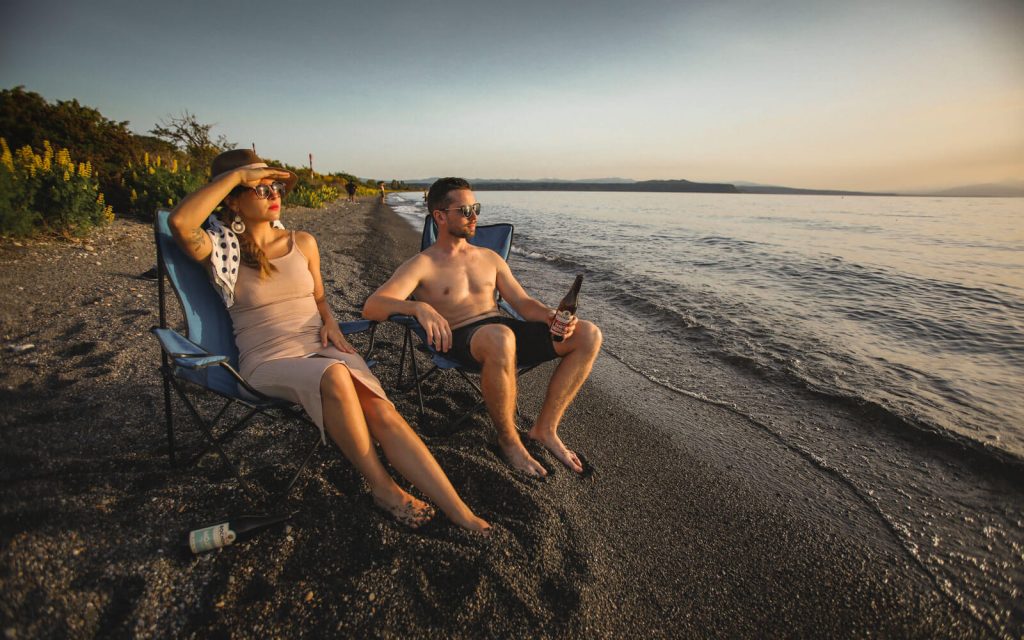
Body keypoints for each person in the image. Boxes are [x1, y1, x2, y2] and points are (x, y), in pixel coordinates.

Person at [168, 151, 489, 533]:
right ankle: (383, 489)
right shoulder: (221, 250)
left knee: (381, 409)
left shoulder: (302, 242)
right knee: (336, 376)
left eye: (277, 187)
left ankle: (459, 510)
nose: (275, 194)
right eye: (261, 188)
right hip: (268, 359)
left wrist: (331, 321)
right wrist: (239, 175)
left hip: (321, 347)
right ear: (233, 199)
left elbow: (319, 298)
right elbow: (180, 221)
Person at [363, 178, 602, 477]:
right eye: (464, 209)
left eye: (476, 207)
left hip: (502, 330)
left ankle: (545, 430)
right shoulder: (421, 264)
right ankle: (509, 440)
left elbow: (522, 303)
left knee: (588, 334)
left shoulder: (490, 259)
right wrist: (417, 307)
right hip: (461, 338)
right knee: (500, 337)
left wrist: (549, 315)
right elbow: (373, 305)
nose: (474, 215)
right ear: (439, 216)